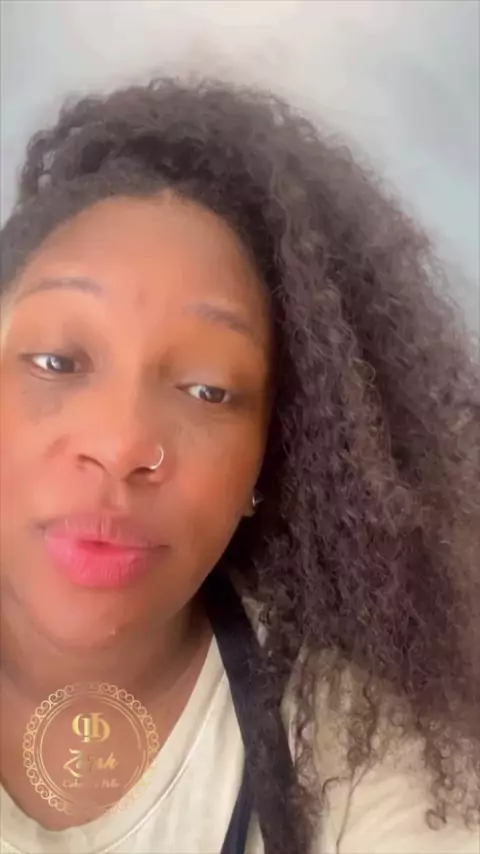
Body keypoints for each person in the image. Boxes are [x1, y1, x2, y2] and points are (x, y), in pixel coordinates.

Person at [0, 77, 478, 854]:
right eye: (57, 360)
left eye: (209, 390)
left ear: (269, 456)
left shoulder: (369, 760)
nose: (120, 444)